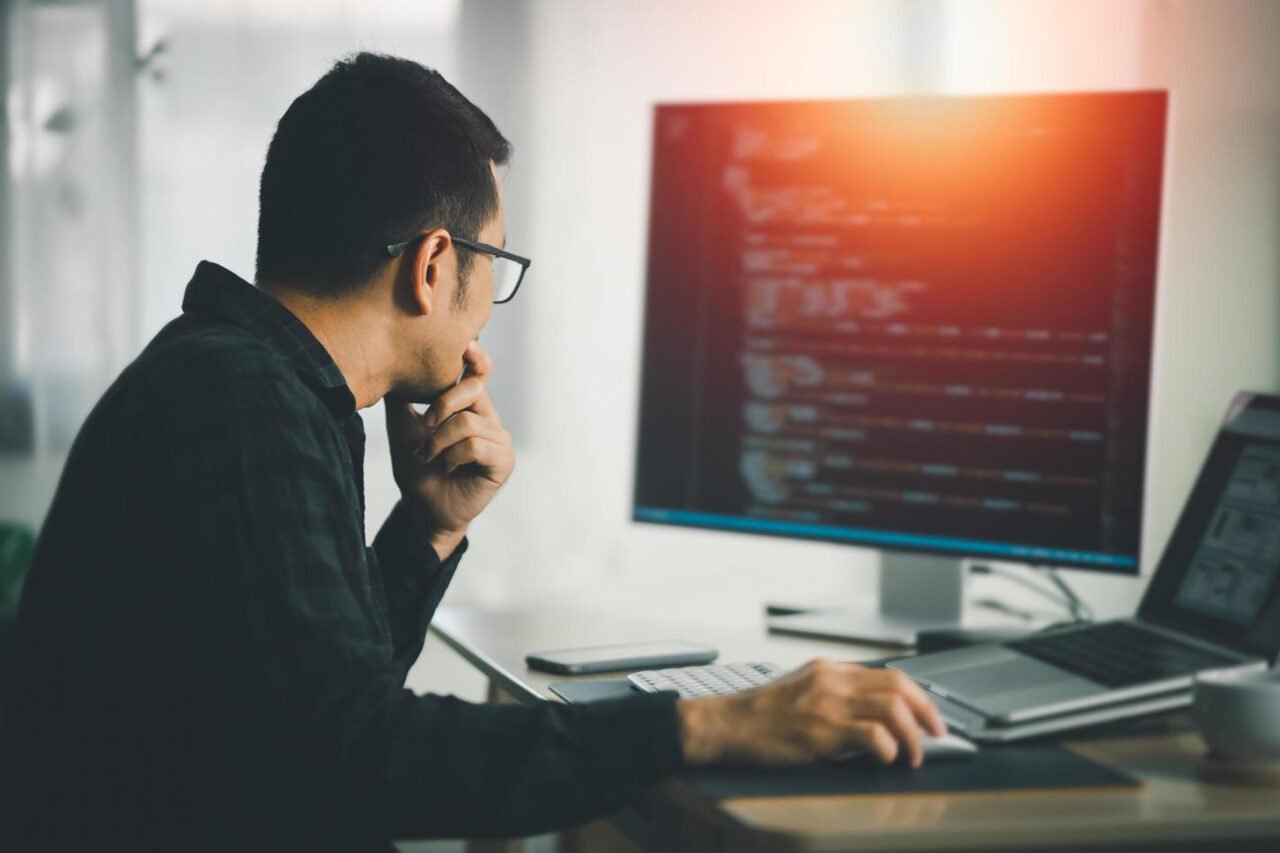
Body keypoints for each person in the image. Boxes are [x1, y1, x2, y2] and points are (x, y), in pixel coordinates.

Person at [0, 53, 944, 851]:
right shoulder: (238, 400)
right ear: (434, 264)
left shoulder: (257, 383)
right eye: (497, 265)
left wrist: (430, 526)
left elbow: (318, 701)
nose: (489, 302)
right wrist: (709, 721)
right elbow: (354, 759)